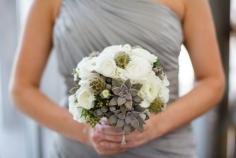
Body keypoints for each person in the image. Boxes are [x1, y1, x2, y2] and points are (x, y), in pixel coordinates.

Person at [10, 0, 225, 157]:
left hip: (164, 148)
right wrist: (86, 132)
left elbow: (212, 81)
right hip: (78, 149)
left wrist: (156, 125)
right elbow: (21, 89)